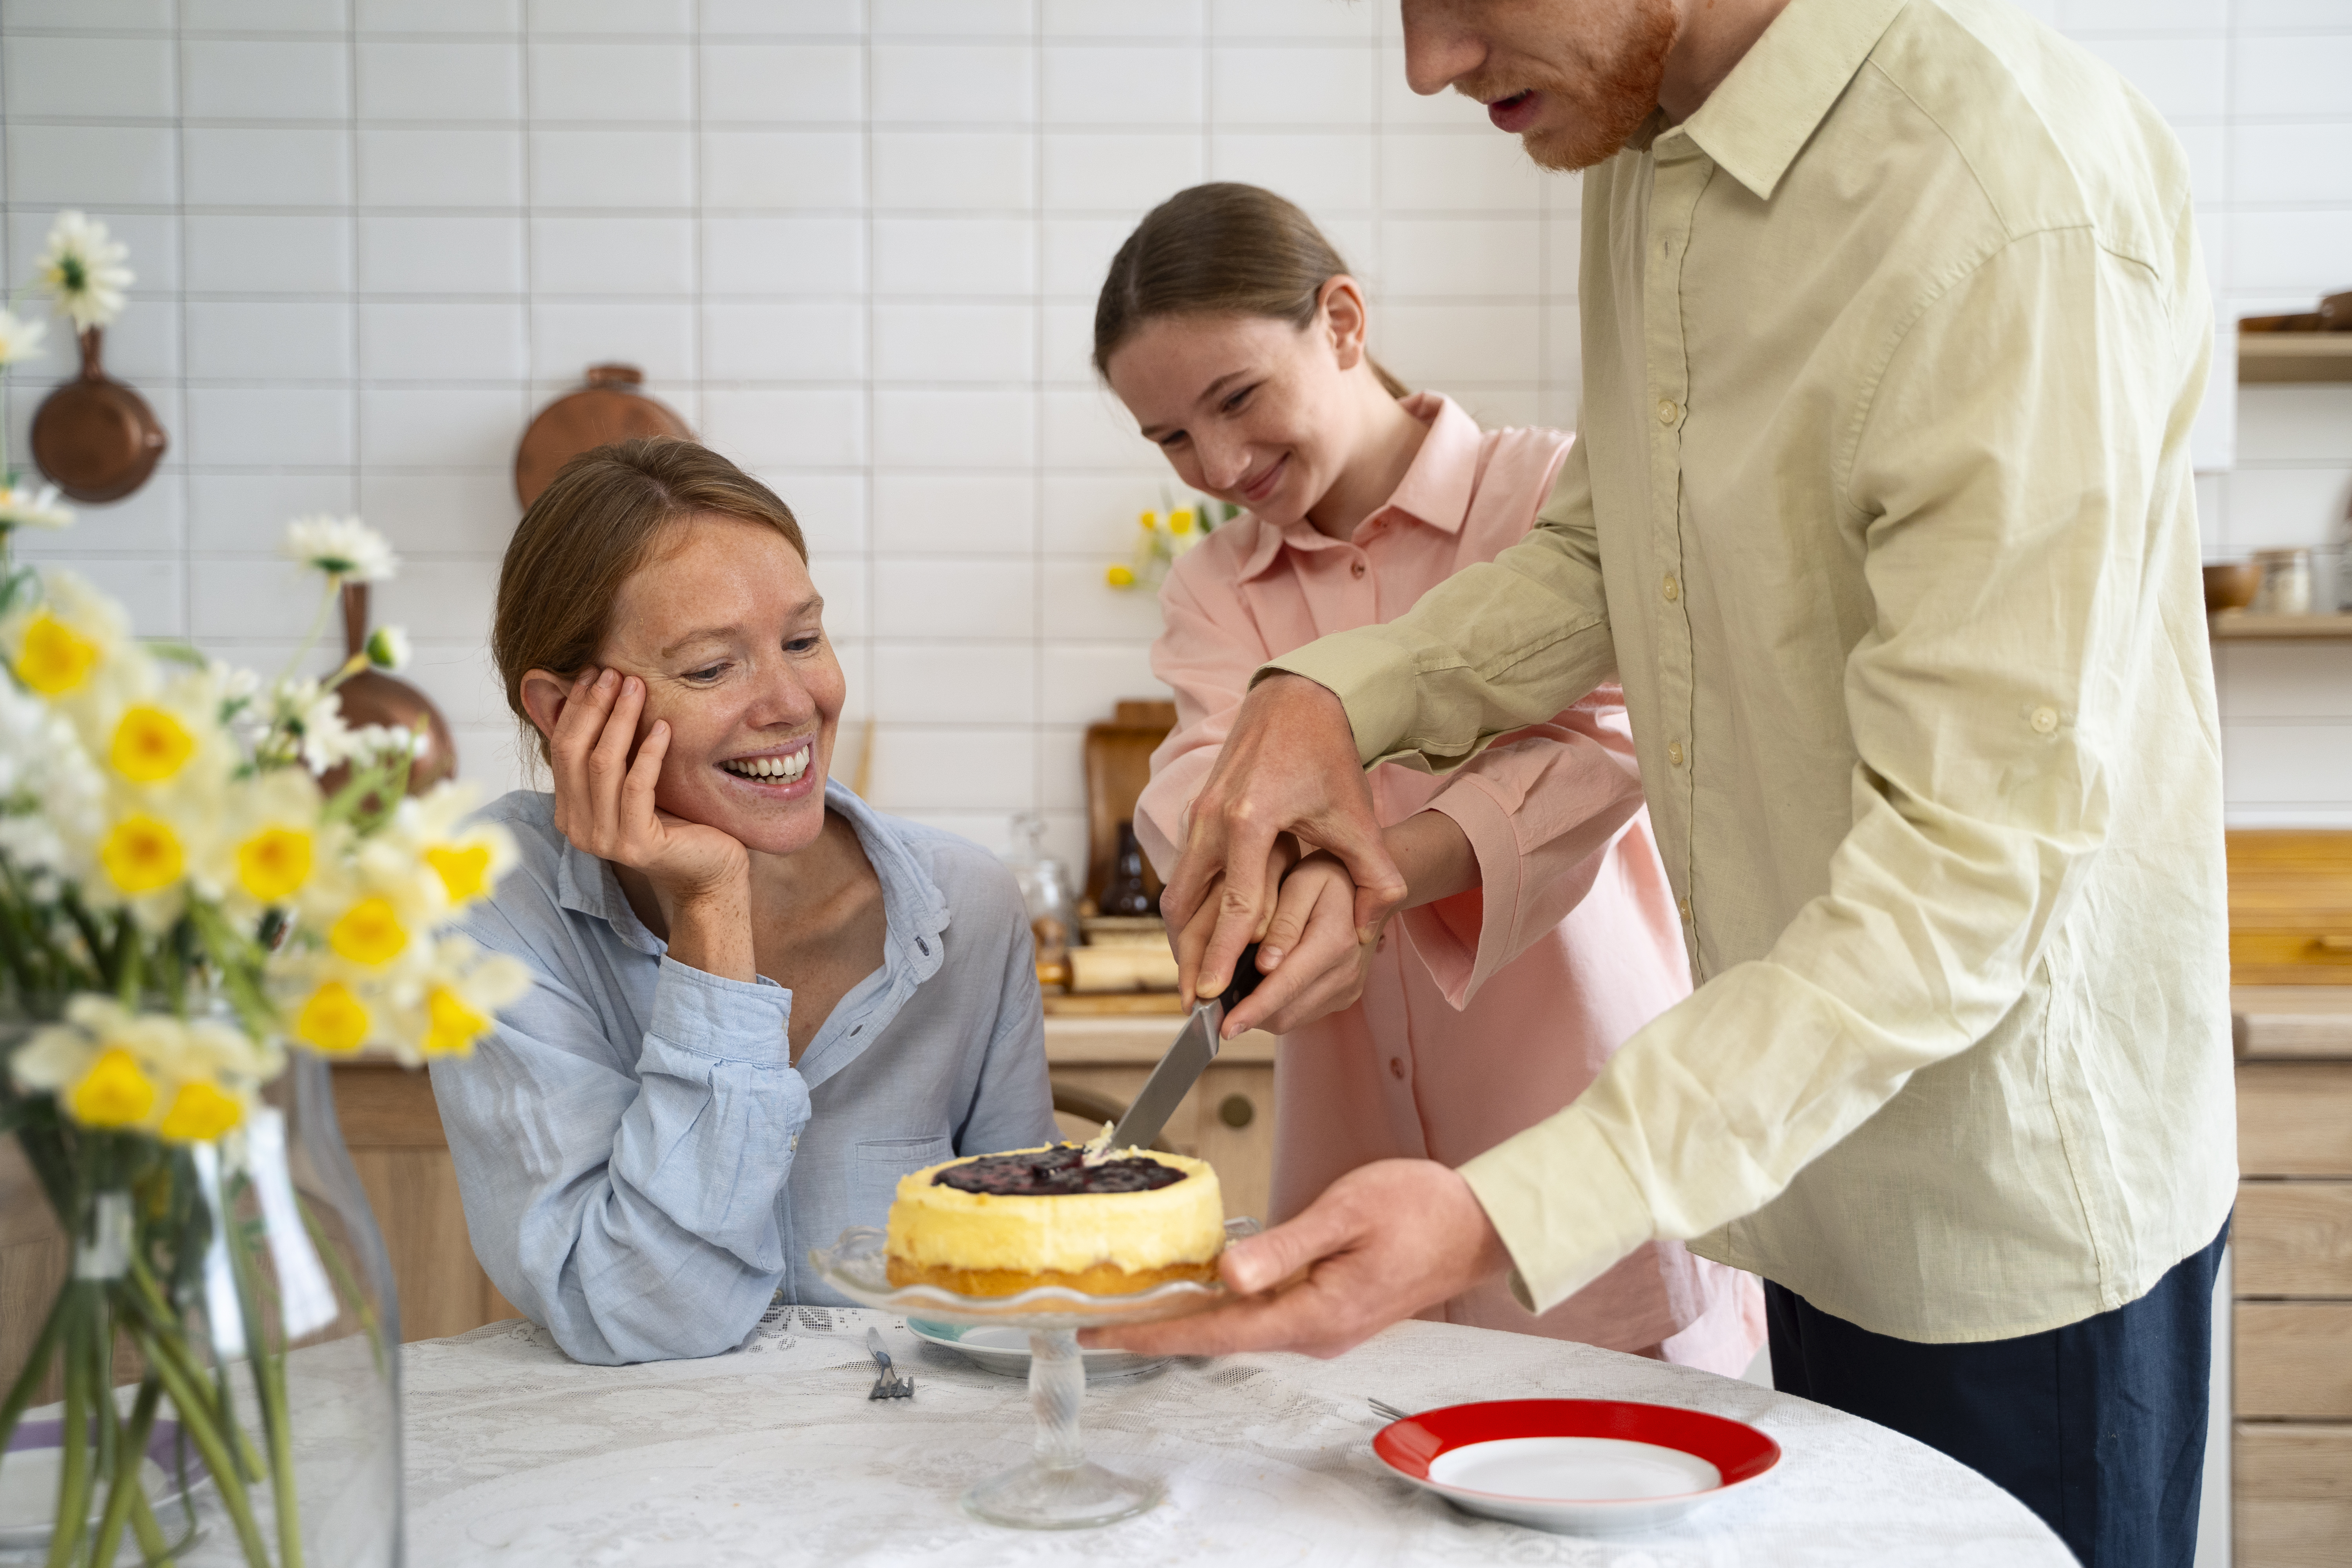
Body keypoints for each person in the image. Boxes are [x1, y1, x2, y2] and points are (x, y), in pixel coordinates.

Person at [1094, 1, 2233, 1563]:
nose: (1426, 64)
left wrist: (1507, 1210)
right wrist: (1334, 695)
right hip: (1795, 1186)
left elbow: (1963, 883)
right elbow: (1617, 544)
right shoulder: (1648, 137)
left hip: (1998, 1219)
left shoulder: (2004, 205)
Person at [1099, 182, 1760, 1372]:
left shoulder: (1548, 498)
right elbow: (1203, 777)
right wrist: (1270, 880)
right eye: (1173, 439)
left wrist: (1375, 875)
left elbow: (1612, 748)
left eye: (1237, 399)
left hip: (1581, 1129)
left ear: (1342, 323)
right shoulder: (1213, 589)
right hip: (1353, 1172)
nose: (1220, 461)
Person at [432, 438, 1054, 1365]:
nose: (792, 703)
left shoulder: (967, 904)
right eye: (713, 668)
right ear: (565, 715)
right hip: (645, 1483)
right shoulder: (493, 908)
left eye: (803, 640)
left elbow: (1030, 1288)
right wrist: (713, 906)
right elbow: (644, 1316)